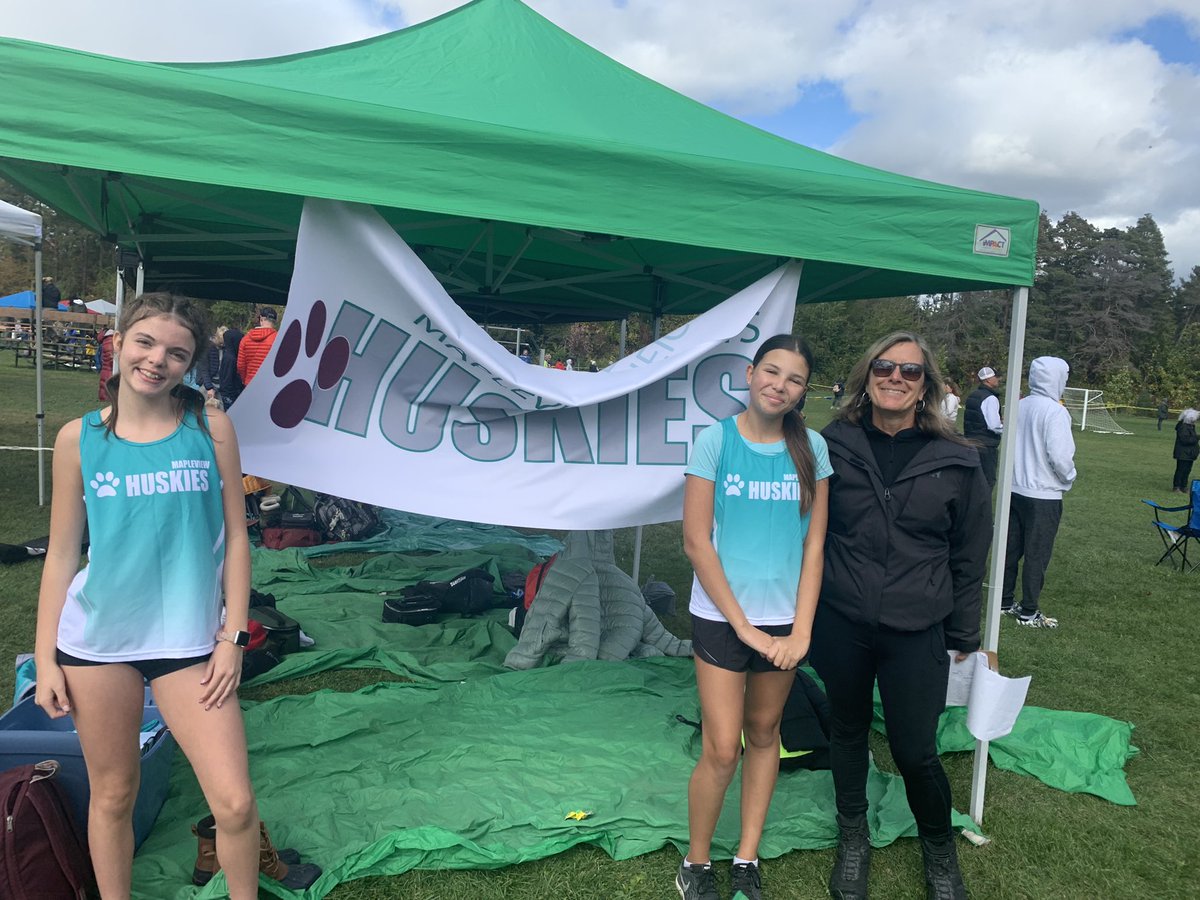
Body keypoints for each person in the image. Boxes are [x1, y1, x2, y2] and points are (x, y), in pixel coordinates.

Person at [34, 292, 261, 899]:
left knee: (236, 804)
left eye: (177, 353)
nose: (157, 361)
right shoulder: (75, 439)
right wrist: (47, 658)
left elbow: (239, 540)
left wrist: (232, 637)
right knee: (112, 795)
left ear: (191, 364)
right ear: (120, 340)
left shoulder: (211, 429)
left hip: (189, 645)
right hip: (97, 643)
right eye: (146, 342)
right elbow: (62, 554)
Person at [814, 331, 990, 900]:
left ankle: (939, 850)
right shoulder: (831, 444)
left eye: (909, 372)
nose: (895, 377)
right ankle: (853, 838)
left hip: (918, 627)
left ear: (926, 387)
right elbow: (804, 531)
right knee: (847, 731)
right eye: (884, 367)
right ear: (866, 376)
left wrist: (965, 630)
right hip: (841, 618)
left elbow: (969, 553)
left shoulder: (960, 459)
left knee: (916, 749)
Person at [677, 334, 831, 900]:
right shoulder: (714, 441)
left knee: (765, 733)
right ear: (749, 373)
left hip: (786, 624)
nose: (779, 385)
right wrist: (743, 627)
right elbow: (696, 543)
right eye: (771, 372)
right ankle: (696, 863)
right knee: (723, 746)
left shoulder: (812, 448)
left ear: (802, 390)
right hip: (723, 620)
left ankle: (746, 856)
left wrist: (802, 630)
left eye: (793, 379)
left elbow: (814, 547)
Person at [1000, 357, 1076, 629]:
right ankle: (1028, 611)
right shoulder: (1055, 412)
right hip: (1043, 494)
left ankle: (1004, 600)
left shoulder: (1018, 406)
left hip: (1014, 488)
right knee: (1037, 552)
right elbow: (1060, 457)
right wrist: (1069, 477)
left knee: (1009, 548)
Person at [963, 366, 1003, 488]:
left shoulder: (972, 395)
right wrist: (1007, 427)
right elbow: (994, 426)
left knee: (971, 481)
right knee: (987, 481)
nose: (998, 379)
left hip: (970, 442)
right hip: (986, 445)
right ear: (988, 380)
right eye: (995, 376)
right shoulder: (990, 398)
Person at [236, 306, 278, 386]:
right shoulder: (278, 339)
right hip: (270, 385)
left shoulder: (245, 339)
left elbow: (240, 365)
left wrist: (245, 380)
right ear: (275, 321)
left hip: (250, 384)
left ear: (261, 319)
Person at [215, 324, 244, 410]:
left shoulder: (228, 355)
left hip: (227, 394)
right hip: (230, 395)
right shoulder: (231, 359)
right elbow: (227, 380)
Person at [1172, 408, 1199, 493]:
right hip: (1183, 453)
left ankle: (1183, 486)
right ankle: (1177, 486)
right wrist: (1198, 437)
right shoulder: (1183, 427)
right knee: (1181, 470)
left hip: (1189, 453)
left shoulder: (1190, 427)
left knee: (1187, 470)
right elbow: (1186, 440)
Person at [96, 326, 115, 401]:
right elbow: (112, 358)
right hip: (110, 370)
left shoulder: (106, 339)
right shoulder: (110, 339)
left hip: (106, 369)